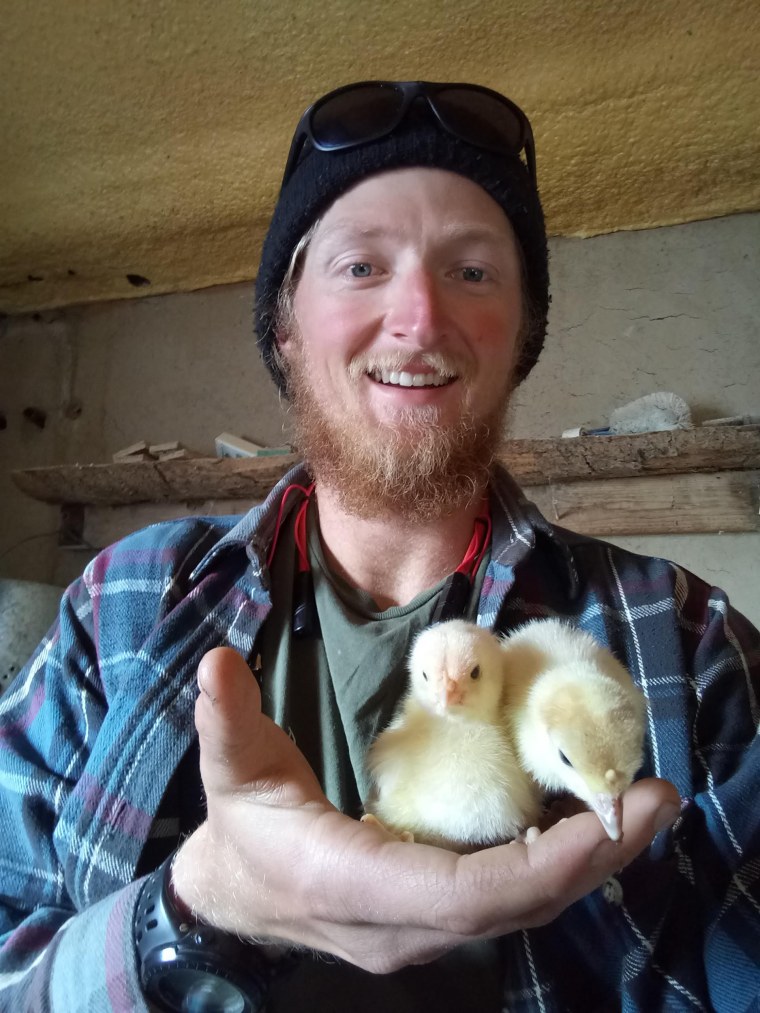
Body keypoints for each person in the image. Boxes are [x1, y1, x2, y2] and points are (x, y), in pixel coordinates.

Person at [0, 80, 757, 1012]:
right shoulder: (121, 603)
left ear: (522, 335)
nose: (420, 318)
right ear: (284, 327)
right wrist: (193, 912)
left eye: (472, 272)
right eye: (361, 267)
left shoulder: (683, 640)